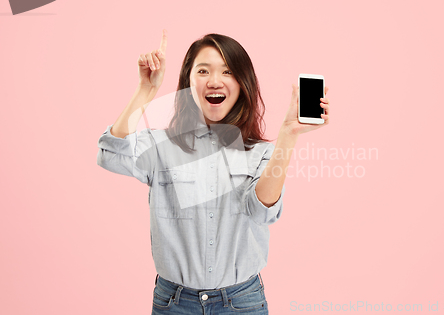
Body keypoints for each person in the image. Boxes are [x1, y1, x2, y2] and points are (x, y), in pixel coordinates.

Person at [96, 29, 330, 314]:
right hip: (174, 303)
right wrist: (146, 89)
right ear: (188, 82)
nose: (215, 81)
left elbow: (262, 212)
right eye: (203, 71)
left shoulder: (262, 153)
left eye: (227, 71)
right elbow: (110, 155)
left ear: (243, 84)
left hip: (242, 302)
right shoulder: (161, 146)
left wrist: (288, 134)